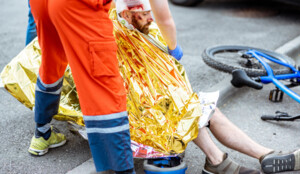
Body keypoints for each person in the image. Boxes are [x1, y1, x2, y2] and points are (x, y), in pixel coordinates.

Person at [114, 1, 300, 173]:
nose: (151, 19)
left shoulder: (124, 30)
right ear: (127, 15)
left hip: (135, 88)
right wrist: (172, 47)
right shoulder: (132, 39)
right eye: (147, 15)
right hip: (136, 112)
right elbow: (164, 18)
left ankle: (263, 154)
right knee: (186, 105)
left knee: (200, 107)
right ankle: (217, 160)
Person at [27, 0, 183, 173]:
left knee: (52, 61)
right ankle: (123, 170)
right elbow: (161, 16)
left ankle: (42, 133)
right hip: (78, 6)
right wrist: (173, 47)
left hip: (42, 3)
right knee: (103, 85)